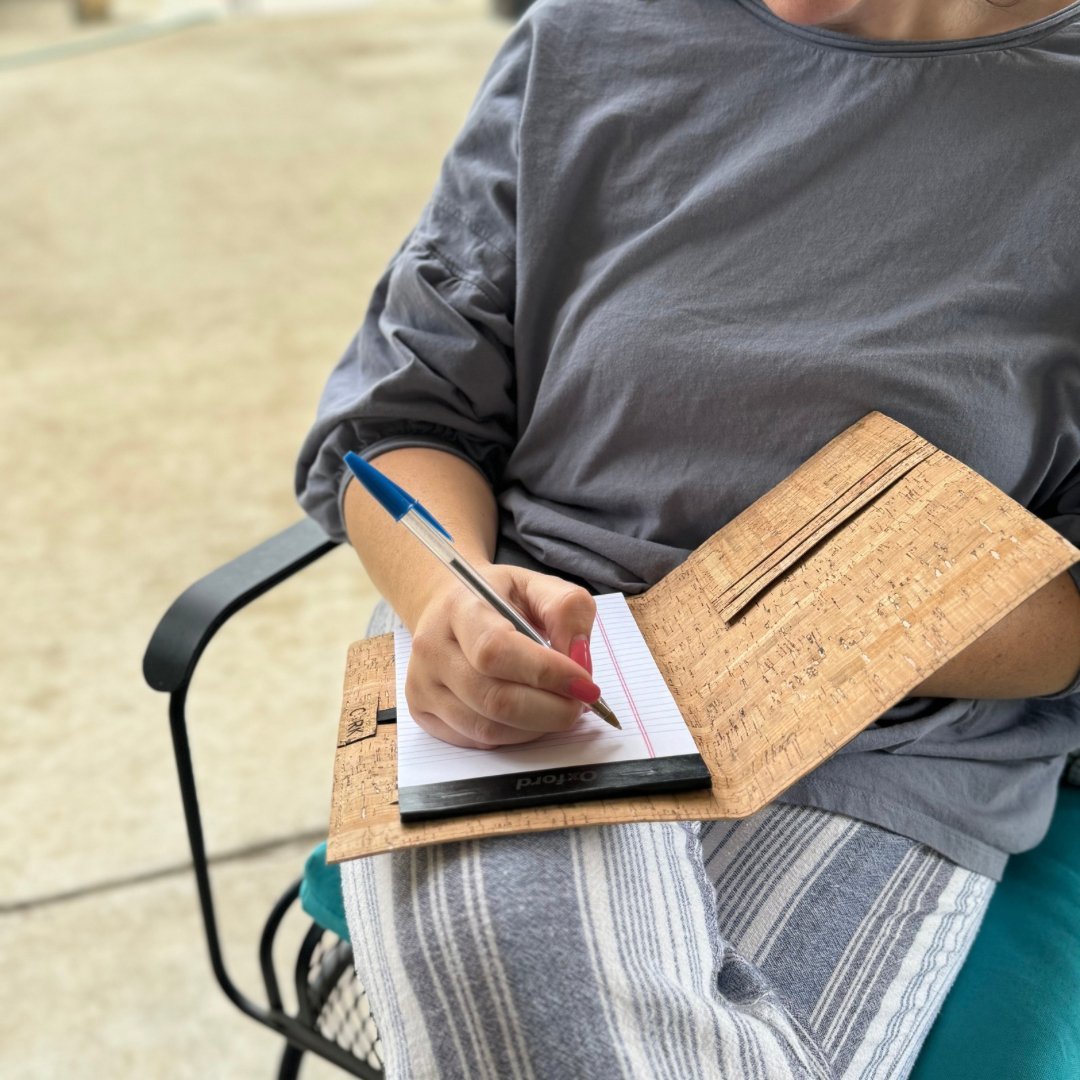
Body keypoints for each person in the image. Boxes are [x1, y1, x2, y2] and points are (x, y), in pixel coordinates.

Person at [296, 0, 1080, 1076]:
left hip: (885, 745)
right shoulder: (593, 33)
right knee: (523, 955)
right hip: (522, 663)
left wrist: (765, 633)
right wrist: (454, 595)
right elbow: (403, 424)